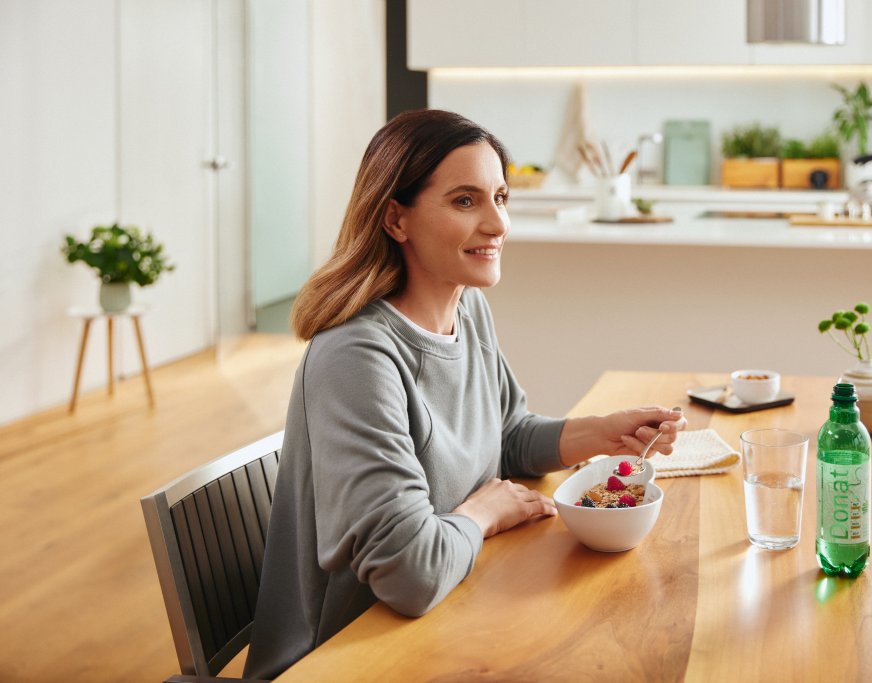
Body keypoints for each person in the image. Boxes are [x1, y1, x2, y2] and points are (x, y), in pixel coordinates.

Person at [244, 109, 686, 679]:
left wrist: (599, 433)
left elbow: (505, 435)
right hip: (347, 657)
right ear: (395, 219)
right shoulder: (356, 357)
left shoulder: (466, 305)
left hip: (449, 617)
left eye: (501, 197)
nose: (498, 224)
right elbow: (410, 571)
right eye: (465, 201)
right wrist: (484, 513)